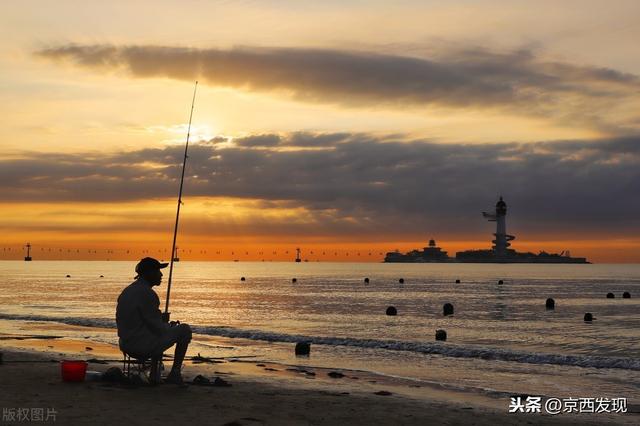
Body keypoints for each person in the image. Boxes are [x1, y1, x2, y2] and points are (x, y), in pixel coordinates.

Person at [116, 257, 192, 384]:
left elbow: (142, 320)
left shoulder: (128, 291)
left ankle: (154, 374)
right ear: (149, 273)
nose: (161, 274)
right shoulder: (148, 294)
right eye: (158, 271)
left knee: (156, 334)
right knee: (184, 330)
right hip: (140, 346)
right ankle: (175, 373)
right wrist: (169, 326)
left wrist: (163, 323)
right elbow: (158, 329)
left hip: (125, 343)